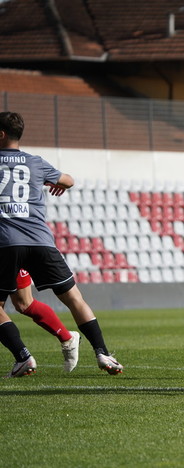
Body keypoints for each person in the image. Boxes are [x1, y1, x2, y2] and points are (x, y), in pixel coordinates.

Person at [0, 111, 123, 376]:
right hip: (40, 240)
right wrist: (54, 182)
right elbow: (68, 180)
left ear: (1, 134)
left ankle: (22, 356)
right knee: (74, 299)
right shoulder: (35, 162)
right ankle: (103, 353)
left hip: (5, 243)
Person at [10, 270, 80, 372]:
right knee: (22, 304)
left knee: (25, 304)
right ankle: (66, 338)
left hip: (10, 257)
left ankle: (66, 338)